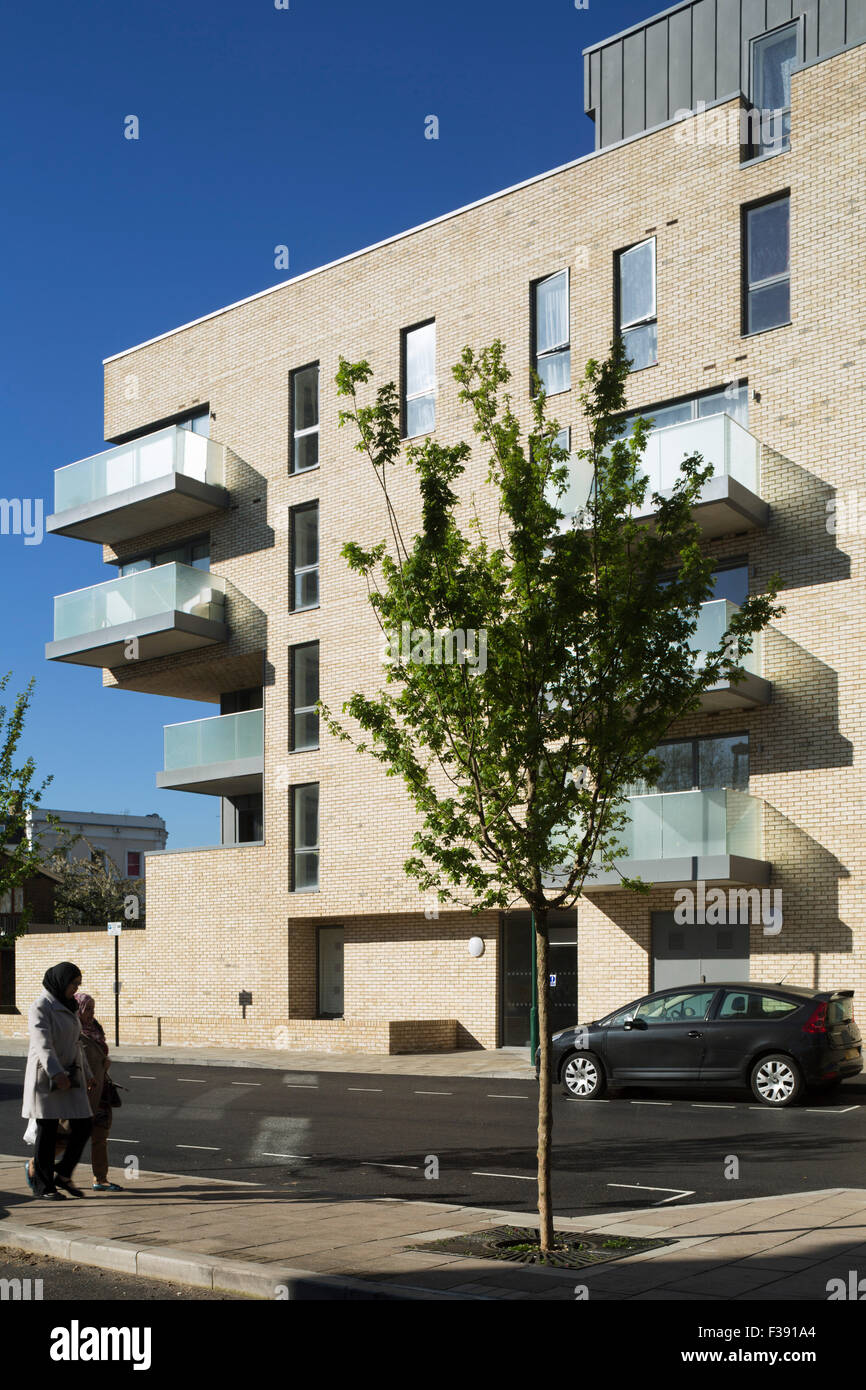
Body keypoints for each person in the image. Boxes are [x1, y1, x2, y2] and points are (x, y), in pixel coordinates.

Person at [22, 962, 96, 1199]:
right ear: (60, 981)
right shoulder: (41, 1007)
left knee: (85, 1124)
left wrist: (88, 1073)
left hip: (70, 1074)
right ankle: (45, 1186)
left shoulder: (70, 1006)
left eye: (77, 985)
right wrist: (56, 1073)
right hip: (47, 1077)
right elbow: (42, 1044)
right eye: (72, 984)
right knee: (48, 1130)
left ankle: (63, 1173)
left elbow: (76, 1043)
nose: (75, 989)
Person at [56, 991, 123, 1191]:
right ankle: (36, 1165)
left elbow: (97, 1055)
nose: (92, 1013)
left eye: (93, 1008)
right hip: (81, 1092)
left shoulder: (95, 1029)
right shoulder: (73, 1032)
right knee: (66, 1138)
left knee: (100, 1136)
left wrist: (105, 1064)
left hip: (100, 1090)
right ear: (78, 1009)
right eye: (88, 1008)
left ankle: (100, 1179)